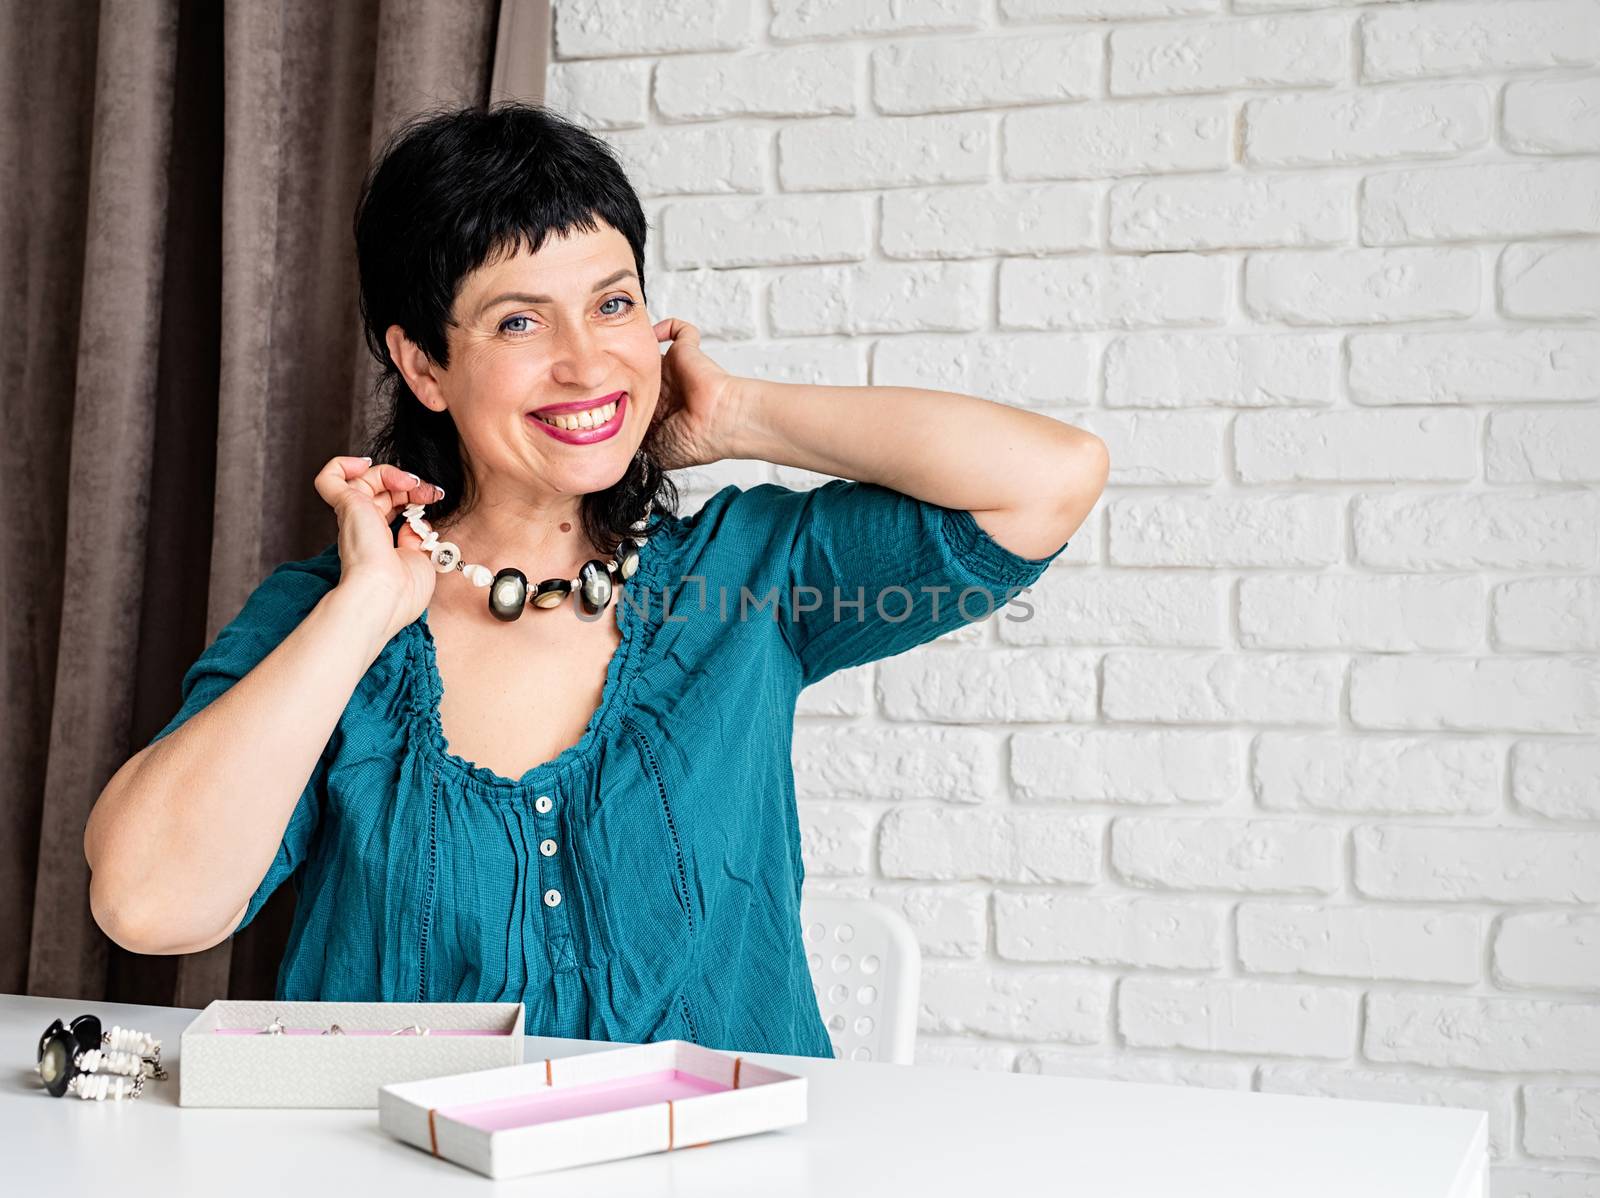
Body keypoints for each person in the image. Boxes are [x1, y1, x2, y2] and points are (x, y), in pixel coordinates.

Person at [83, 102, 1107, 1057]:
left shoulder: (746, 579)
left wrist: (737, 415)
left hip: (717, 1168)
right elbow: (149, 903)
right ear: (424, 365)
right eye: (520, 323)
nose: (586, 364)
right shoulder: (326, 616)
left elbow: (1049, 479)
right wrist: (360, 613)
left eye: (612, 304)